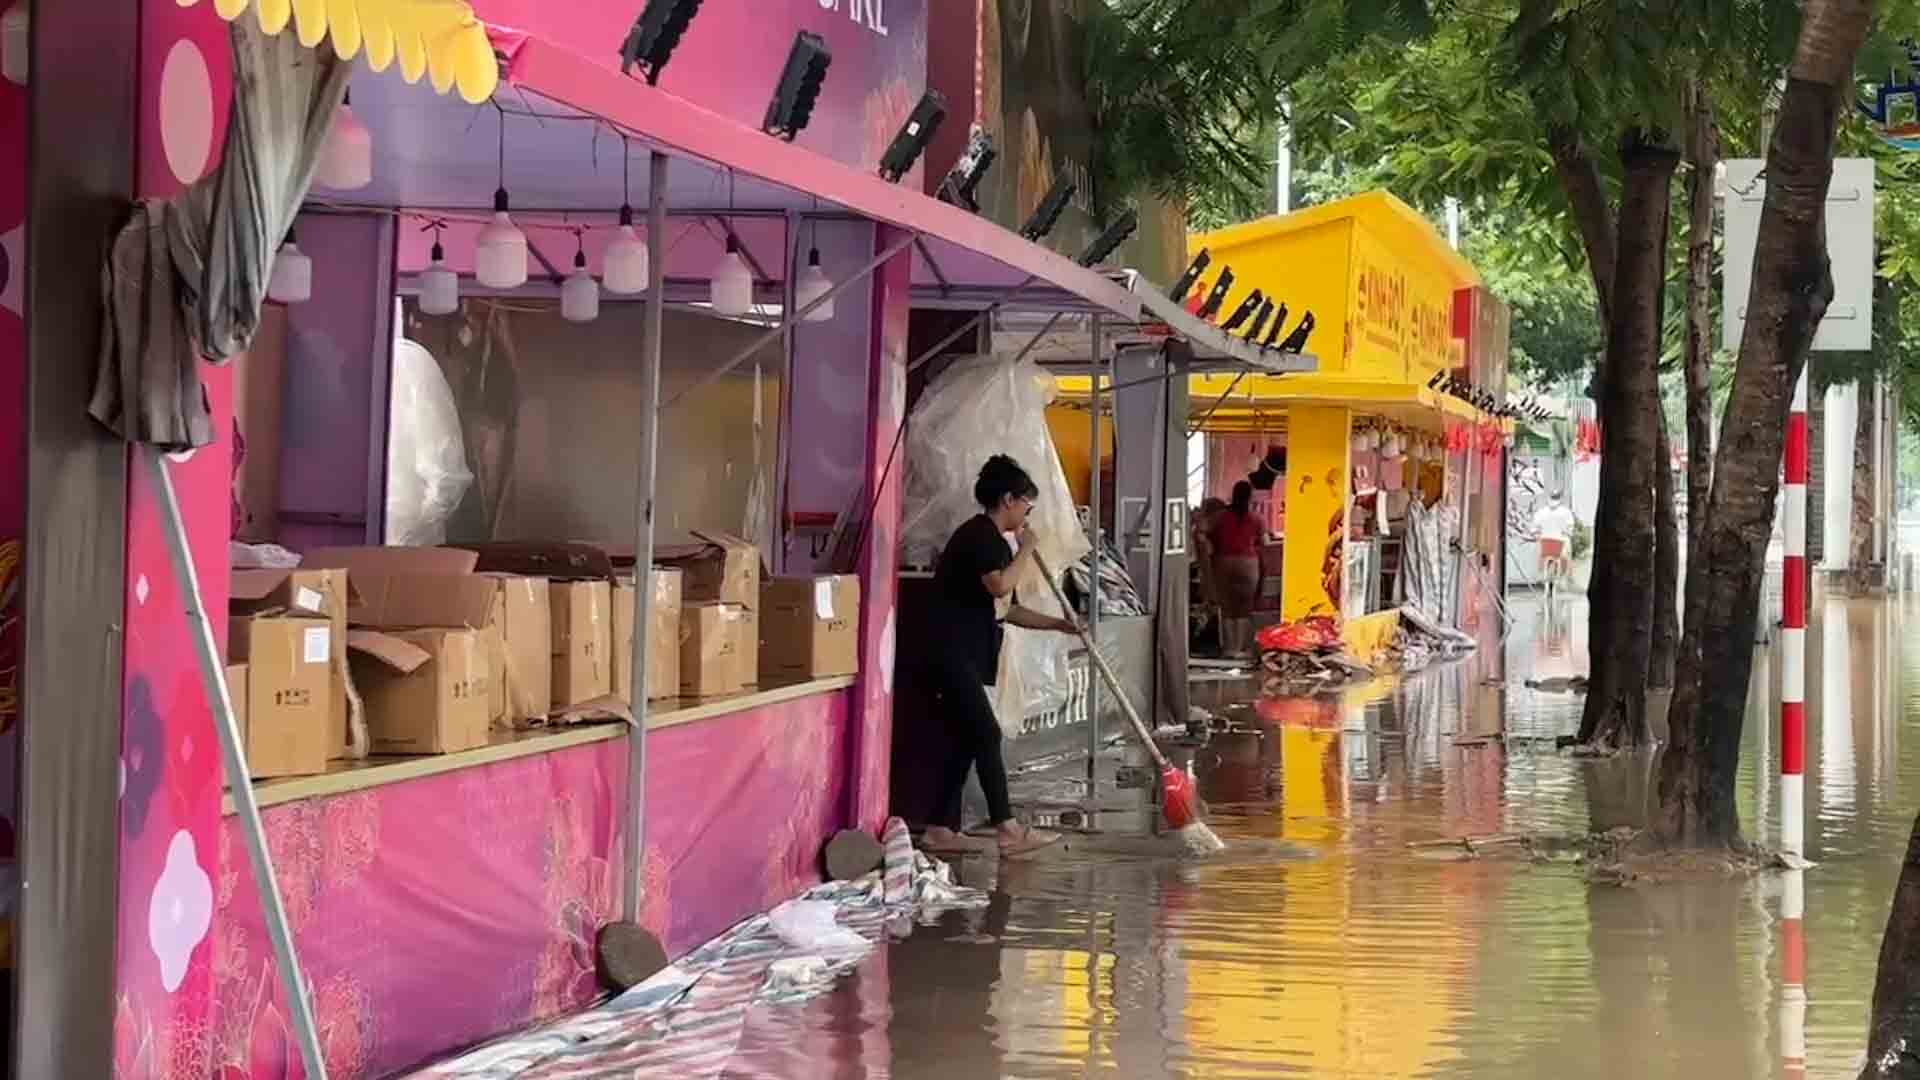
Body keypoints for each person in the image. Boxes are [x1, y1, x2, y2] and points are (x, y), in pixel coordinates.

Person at [920, 454, 1079, 857]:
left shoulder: (992, 542)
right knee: (986, 733)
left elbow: (1008, 608)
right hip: (950, 652)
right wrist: (1026, 548)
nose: (1027, 513)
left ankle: (939, 829)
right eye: (1027, 504)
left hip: (967, 653)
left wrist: (1060, 624)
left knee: (966, 738)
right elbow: (999, 586)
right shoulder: (981, 537)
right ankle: (1007, 828)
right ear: (1009, 499)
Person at [1206, 481, 1265, 657]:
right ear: (1250, 497)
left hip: (1223, 562)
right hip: (1248, 564)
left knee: (1227, 608)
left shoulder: (1219, 517)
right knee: (1244, 608)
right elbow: (1264, 542)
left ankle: (1229, 649)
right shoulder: (1256, 518)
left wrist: (1209, 546)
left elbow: (1200, 530)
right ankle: (1240, 649)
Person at [1532, 490, 1575, 588]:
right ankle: (1565, 577)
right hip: (1559, 544)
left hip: (1545, 543)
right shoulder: (1566, 512)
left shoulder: (1541, 512)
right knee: (1567, 552)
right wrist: (1566, 532)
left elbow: (1534, 528)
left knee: (1539, 552)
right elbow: (1570, 529)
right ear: (1560, 498)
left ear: (1549, 497)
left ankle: (1540, 574)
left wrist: (1537, 532)